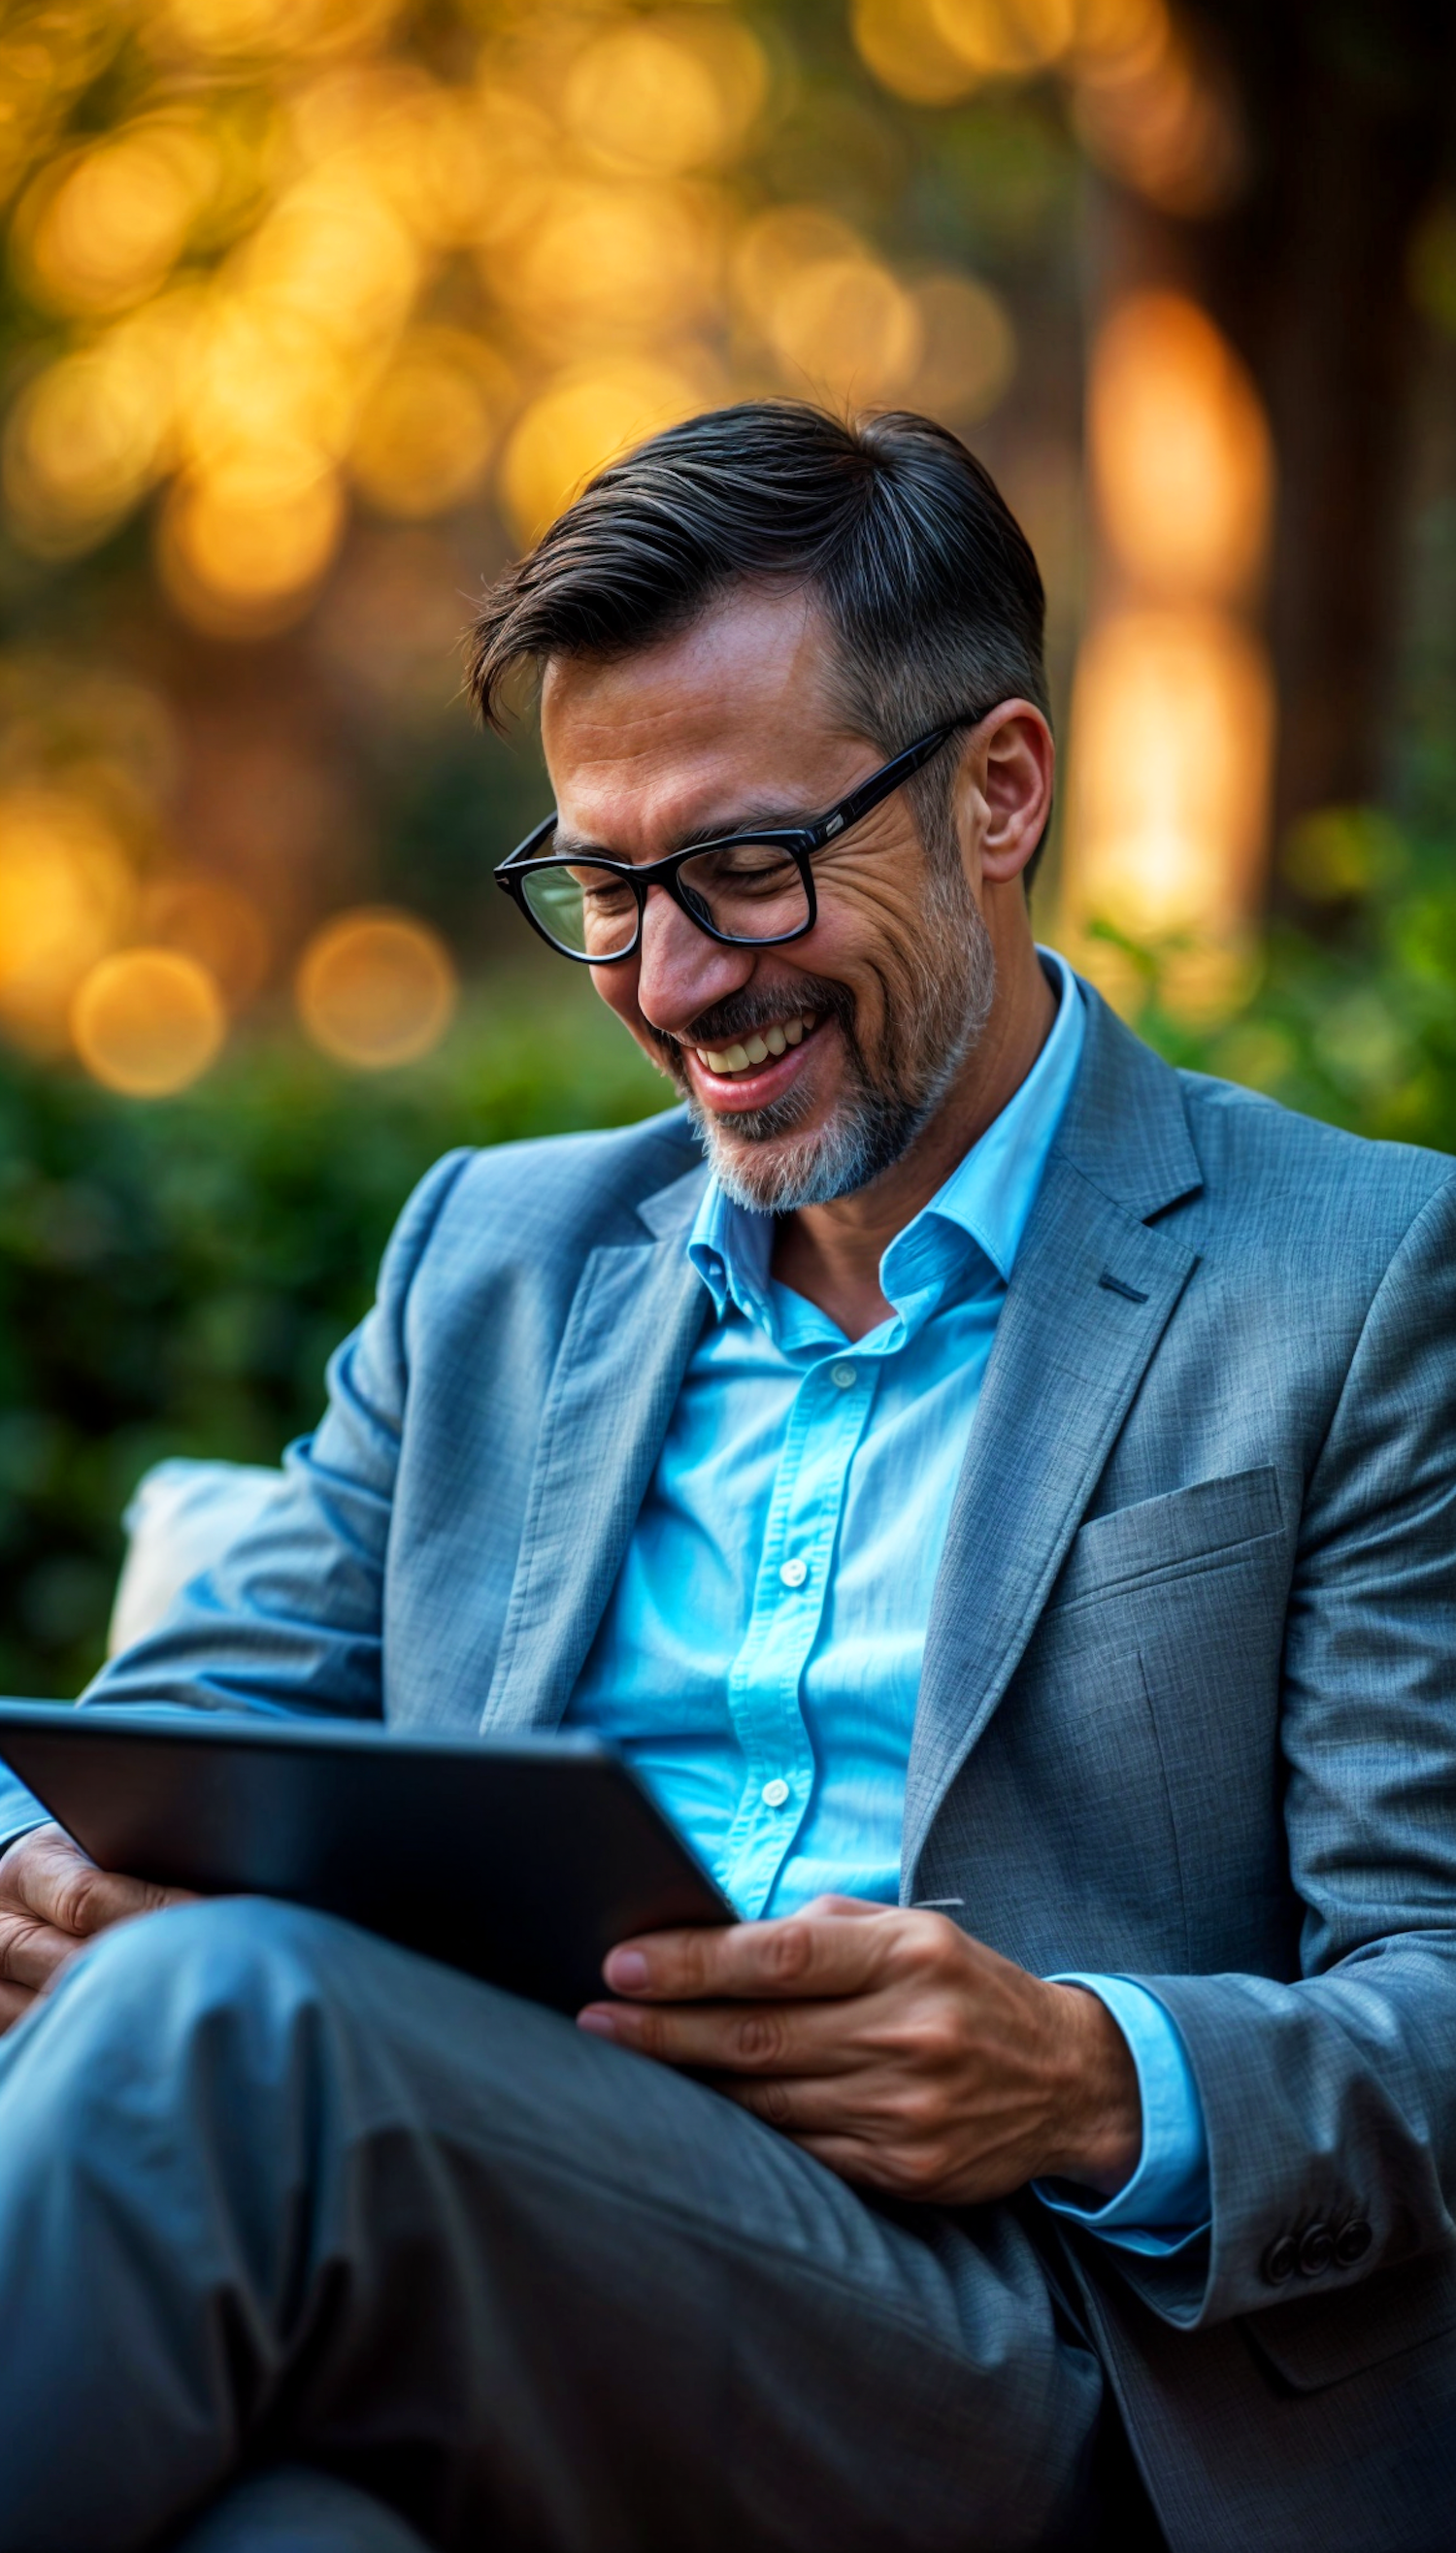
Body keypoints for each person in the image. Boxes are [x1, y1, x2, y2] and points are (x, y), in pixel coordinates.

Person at [0, 403, 1452, 2553]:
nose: (672, 983)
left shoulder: (1356, 1271)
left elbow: (1430, 1991)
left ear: (999, 788)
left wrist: (1086, 2069)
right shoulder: (493, 1256)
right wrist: (47, 1881)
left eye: (748, 868)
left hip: (1021, 2360)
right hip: (512, 2271)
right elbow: (134, 1751)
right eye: (603, 883)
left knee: (236, 2017)